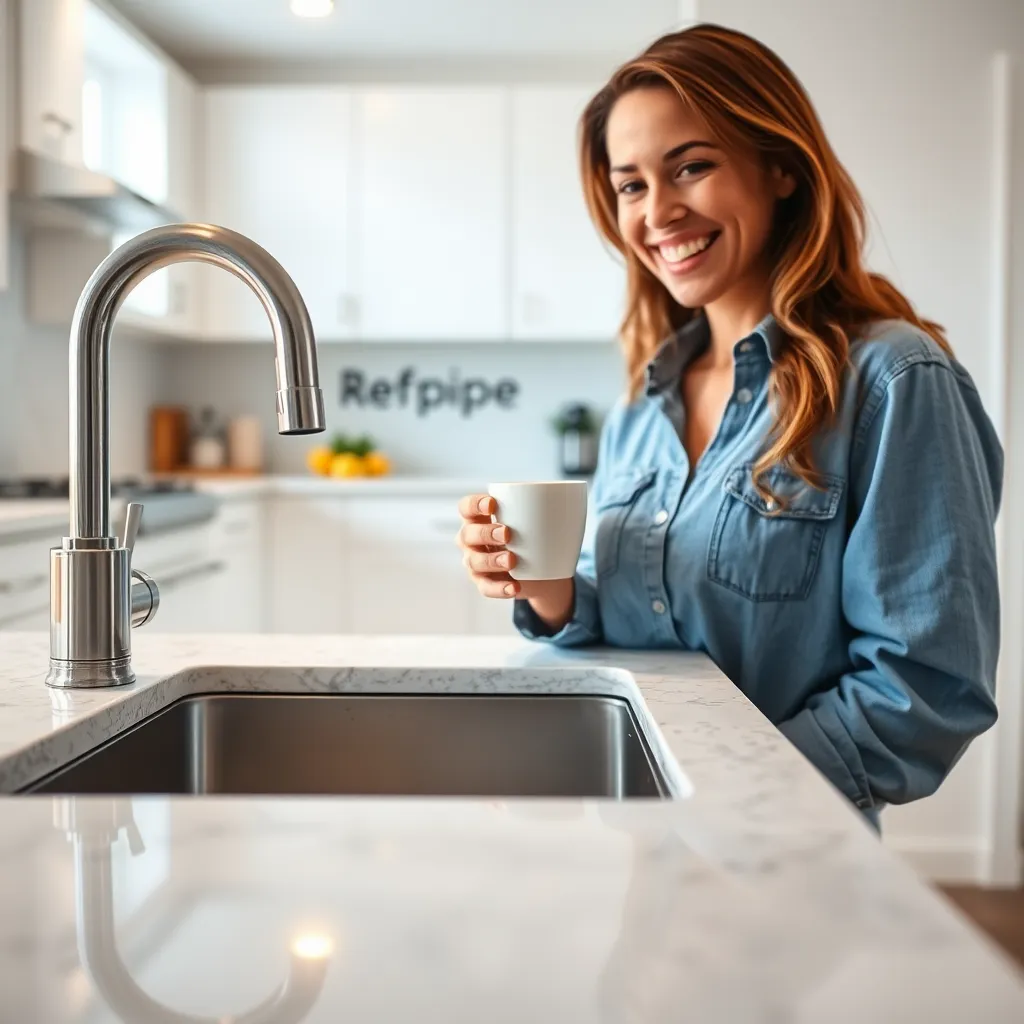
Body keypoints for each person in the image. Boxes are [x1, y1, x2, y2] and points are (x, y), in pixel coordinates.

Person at [455, 23, 1002, 823]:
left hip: (782, 856)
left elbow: (924, 690)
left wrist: (725, 797)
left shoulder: (892, 380)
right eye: (631, 185)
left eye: (692, 167)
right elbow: (635, 615)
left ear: (781, 167)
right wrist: (549, 593)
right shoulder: (643, 406)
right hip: (637, 840)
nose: (659, 212)